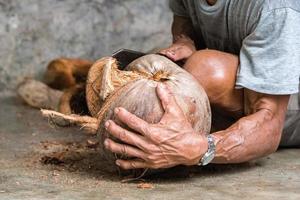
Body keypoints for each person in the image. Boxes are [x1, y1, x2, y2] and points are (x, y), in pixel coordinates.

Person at [103, 0, 300, 170]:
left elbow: (270, 124)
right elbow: (184, 18)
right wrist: (185, 40)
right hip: (246, 84)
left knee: (204, 69)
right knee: (156, 70)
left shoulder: (276, 8)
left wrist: (200, 148)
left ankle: (198, 139)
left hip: (286, 111)